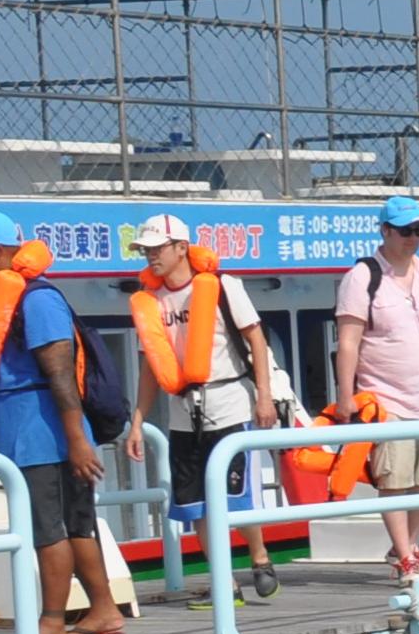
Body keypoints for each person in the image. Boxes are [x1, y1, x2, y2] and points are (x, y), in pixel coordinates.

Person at [0, 212, 126, 634]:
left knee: (49, 528)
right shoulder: (11, 297)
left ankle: (51, 623)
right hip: (40, 428)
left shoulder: (35, 299)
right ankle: (103, 609)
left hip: (42, 431)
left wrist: (77, 440)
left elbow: (60, 372)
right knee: (76, 524)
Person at [126, 213, 294, 602]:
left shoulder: (222, 287)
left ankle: (260, 557)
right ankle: (225, 583)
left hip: (230, 402)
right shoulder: (150, 302)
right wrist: (137, 421)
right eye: (145, 249)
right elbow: (151, 366)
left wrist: (264, 396)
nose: (151, 255)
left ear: (181, 247)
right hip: (183, 412)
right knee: (193, 501)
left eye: (158, 247)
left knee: (236, 495)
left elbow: (256, 339)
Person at [330, 193, 419, 578]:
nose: (413, 237)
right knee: (394, 479)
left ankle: (407, 545)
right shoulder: (362, 277)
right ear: (385, 230)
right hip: (388, 398)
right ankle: (406, 557)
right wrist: (345, 397)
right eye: (405, 230)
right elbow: (349, 341)